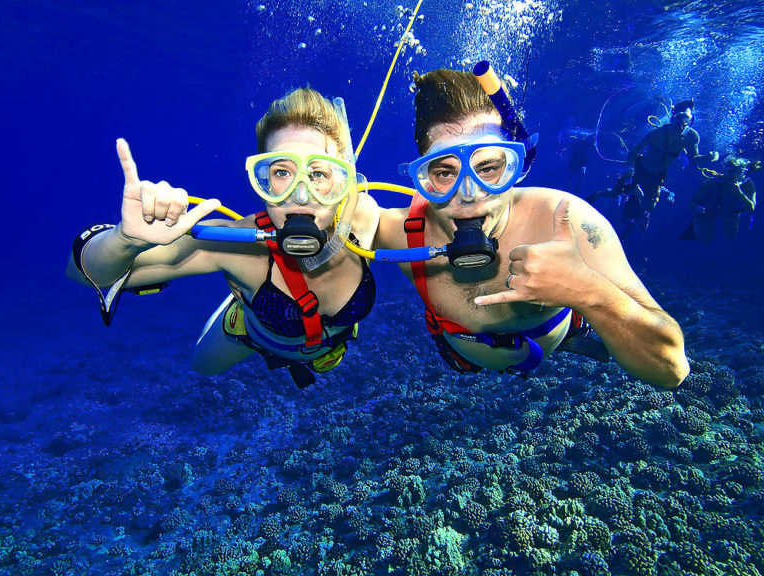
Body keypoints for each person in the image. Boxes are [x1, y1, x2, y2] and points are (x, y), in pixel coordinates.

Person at [375, 67, 689, 389]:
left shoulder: (566, 220)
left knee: (585, 322)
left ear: (516, 166)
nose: (468, 195)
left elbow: (672, 370)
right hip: (463, 355)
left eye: (488, 168)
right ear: (421, 176)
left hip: (554, 332)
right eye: (444, 173)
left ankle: (575, 329)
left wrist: (587, 291)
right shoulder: (397, 232)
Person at [67, 88, 380, 389]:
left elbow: (426, 232)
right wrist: (125, 240)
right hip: (256, 336)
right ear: (263, 180)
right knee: (203, 366)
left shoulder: (364, 217)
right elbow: (84, 274)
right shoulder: (233, 245)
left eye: (318, 174)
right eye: (282, 173)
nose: (299, 195)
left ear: (345, 180)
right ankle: (239, 309)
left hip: (329, 343)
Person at [620, 99, 718, 234]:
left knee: (650, 205)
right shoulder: (657, 133)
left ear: (691, 119)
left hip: (659, 173)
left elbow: (694, 160)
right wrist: (630, 168)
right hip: (641, 167)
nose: (682, 122)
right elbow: (635, 150)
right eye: (679, 117)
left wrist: (709, 157)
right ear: (672, 117)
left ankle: (636, 211)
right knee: (624, 192)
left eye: (686, 118)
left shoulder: (691, 137)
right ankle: (630, 196)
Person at [682, 155, 758, 243]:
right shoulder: (712, 182)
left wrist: (739, 192)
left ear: (743, 173)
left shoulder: (747, 184)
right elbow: (692, 202)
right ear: (724, 170)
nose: (734, 176)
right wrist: (696, 208)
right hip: (709, 213)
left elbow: (751, 208)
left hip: (731, 214)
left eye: (739, 172)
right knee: (705, 240)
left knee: (730, 237)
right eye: (731, 171)